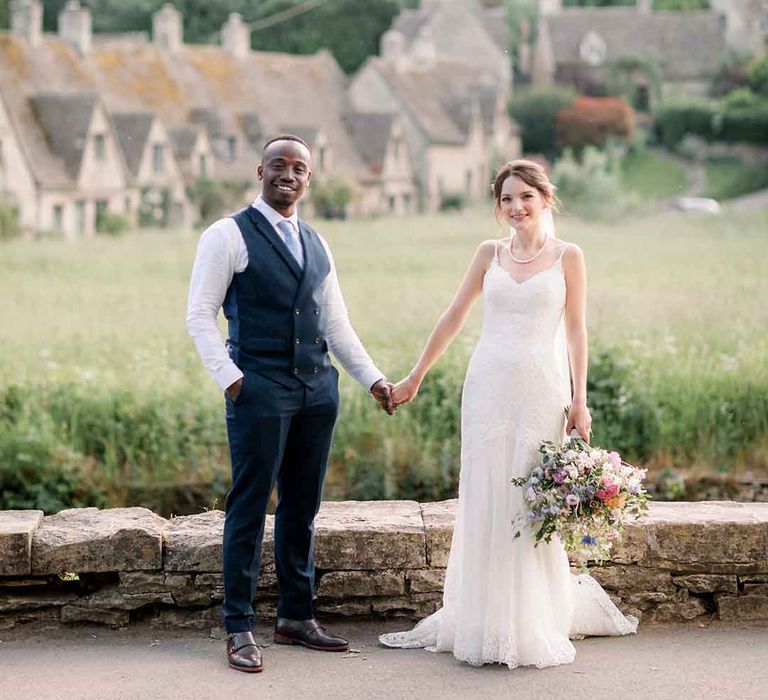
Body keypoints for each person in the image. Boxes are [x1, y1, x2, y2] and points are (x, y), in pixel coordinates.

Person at [380, 159, 637, 668]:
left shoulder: (569, 256)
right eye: (506, 199)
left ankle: (531, 619)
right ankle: (481, 617)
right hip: (488, 387)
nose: (516, 207)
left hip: (543, 389)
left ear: (545, 199)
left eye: (525, 197)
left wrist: (580, 400)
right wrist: (414, 377)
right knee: (487, 493)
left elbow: (577, 331)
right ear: (497, 207)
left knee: (529, 496)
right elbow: (454, 316)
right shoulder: (488, 254)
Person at [186, 135, 394, 674]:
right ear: (260, 170)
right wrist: (233, 381)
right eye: (279, 165)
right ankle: (238, 627)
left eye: (299, 168)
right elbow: (199, 315)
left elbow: (335, 324)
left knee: (302, 507)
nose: (289, 174)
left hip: (317, 390)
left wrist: (372, 380)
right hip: (258, 389)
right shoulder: (227, 234)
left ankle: (295, 618)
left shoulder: (317, 242)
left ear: (309, 179)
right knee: (250, 507)